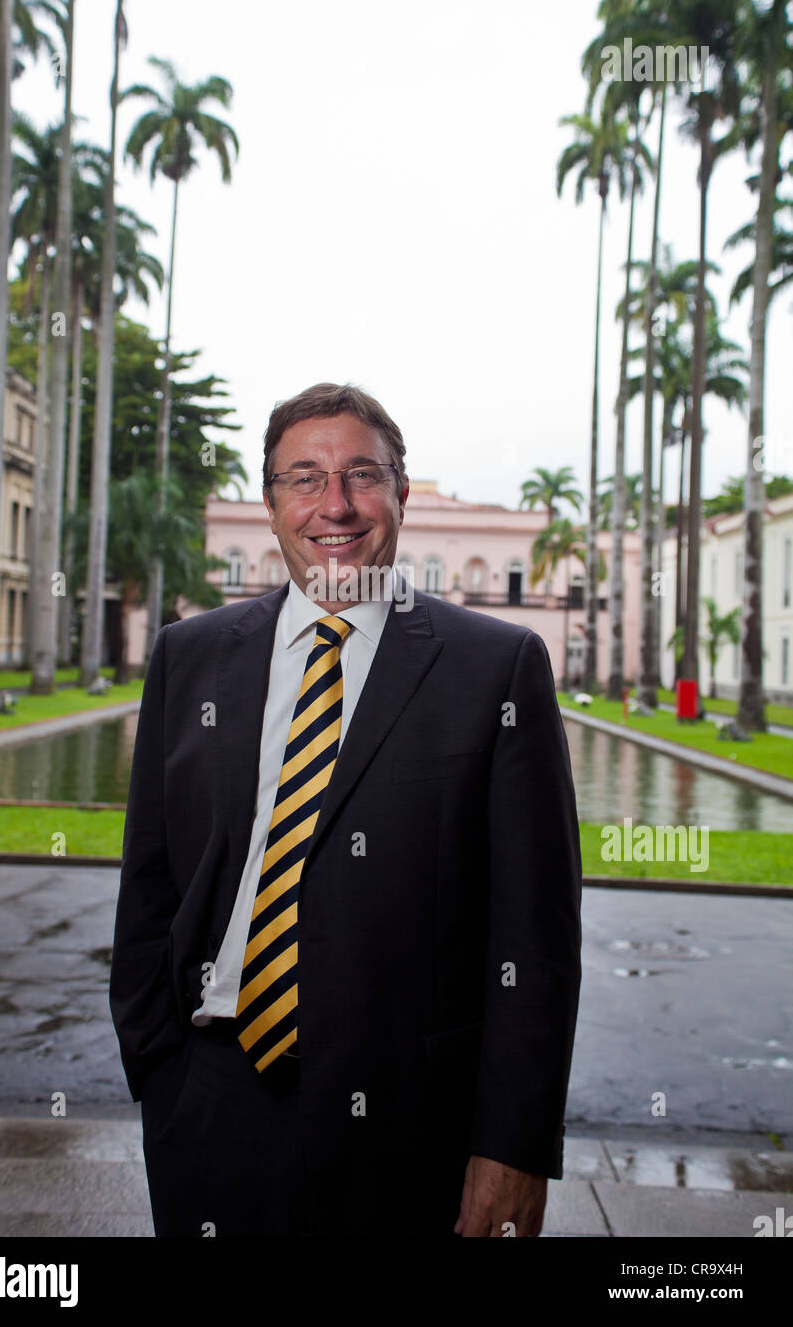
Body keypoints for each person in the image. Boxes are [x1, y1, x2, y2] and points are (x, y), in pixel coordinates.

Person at [109, 381, 582, 1238]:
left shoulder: (495, 669)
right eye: (304, 478)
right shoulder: (192, 657)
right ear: (271, 502)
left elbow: (535, 938)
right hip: (209, 1101)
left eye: (362, 474)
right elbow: (150, 881)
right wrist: (158, 1065)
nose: (335, 504)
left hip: (409, 1123)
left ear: (400, 493)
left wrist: (511, 1146)